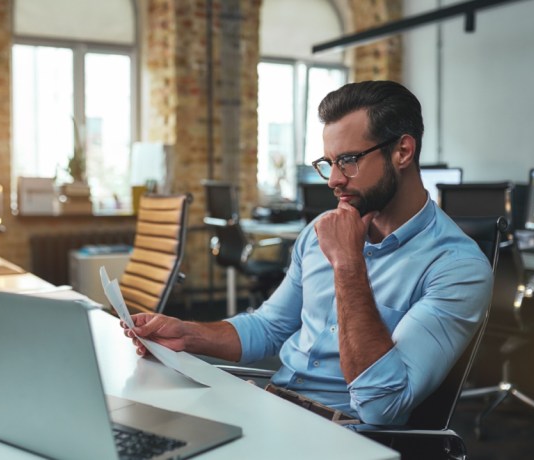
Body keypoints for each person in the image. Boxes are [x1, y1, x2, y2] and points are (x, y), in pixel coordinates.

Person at [122, 80, 493, 428]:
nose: (333, 179)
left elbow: (381, 405)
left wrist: (348, 264)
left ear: (403, 151)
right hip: (274, 410)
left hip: (345, 434)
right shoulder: (318, 234)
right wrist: (187, 334)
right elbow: (269, 327)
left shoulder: (458, 267)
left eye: (348, 160)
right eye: (329, 162)